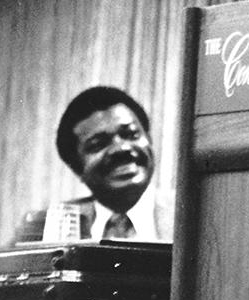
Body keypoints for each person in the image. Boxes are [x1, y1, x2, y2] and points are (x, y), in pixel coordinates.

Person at [11, 85, 172, 243]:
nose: (121, 148)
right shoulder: (47, 225)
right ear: (76, 168)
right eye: (98, 144)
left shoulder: (191, 214)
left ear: (149, 140)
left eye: (131, 134)